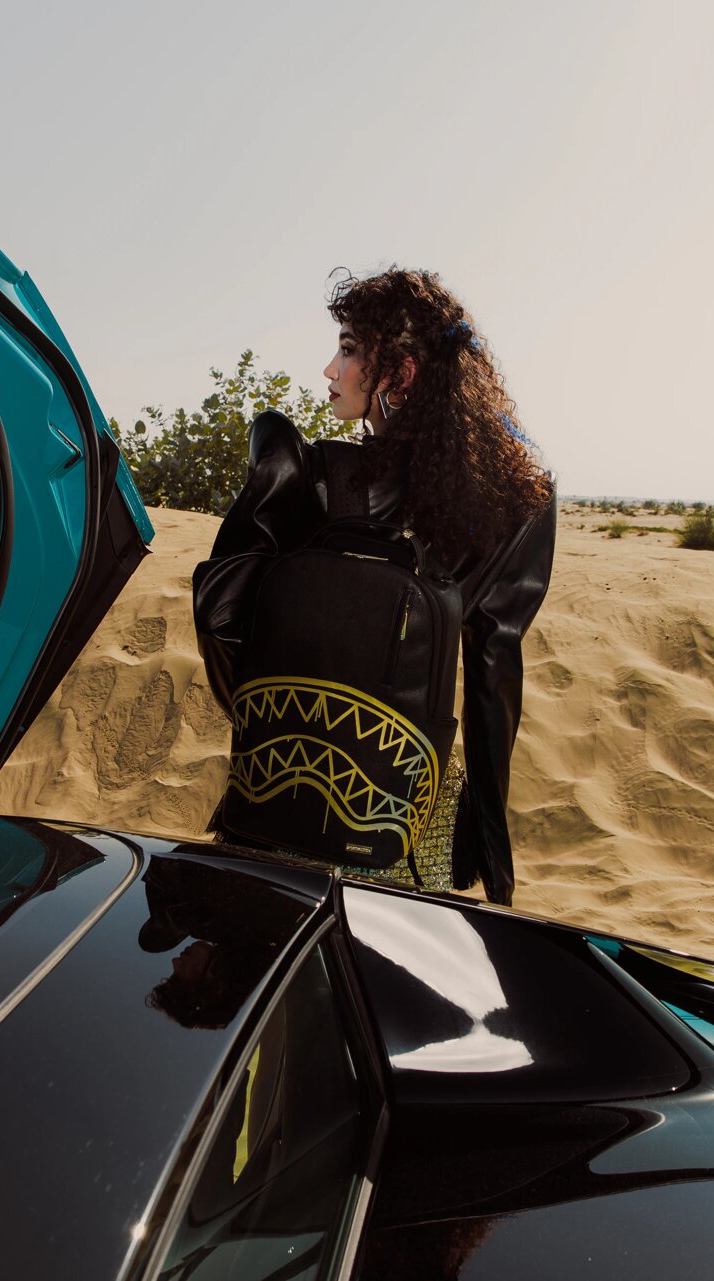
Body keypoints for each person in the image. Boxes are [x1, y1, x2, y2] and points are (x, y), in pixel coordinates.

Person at [193, 267, 555, 905]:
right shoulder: (520, 502)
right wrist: (493, 851)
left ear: (401, 375)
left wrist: (273, 461)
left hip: (284, 788)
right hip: (412, 810)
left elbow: (220, 618)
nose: (330, 370)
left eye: (348, 350)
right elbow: (494, 676)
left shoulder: (315, 475)